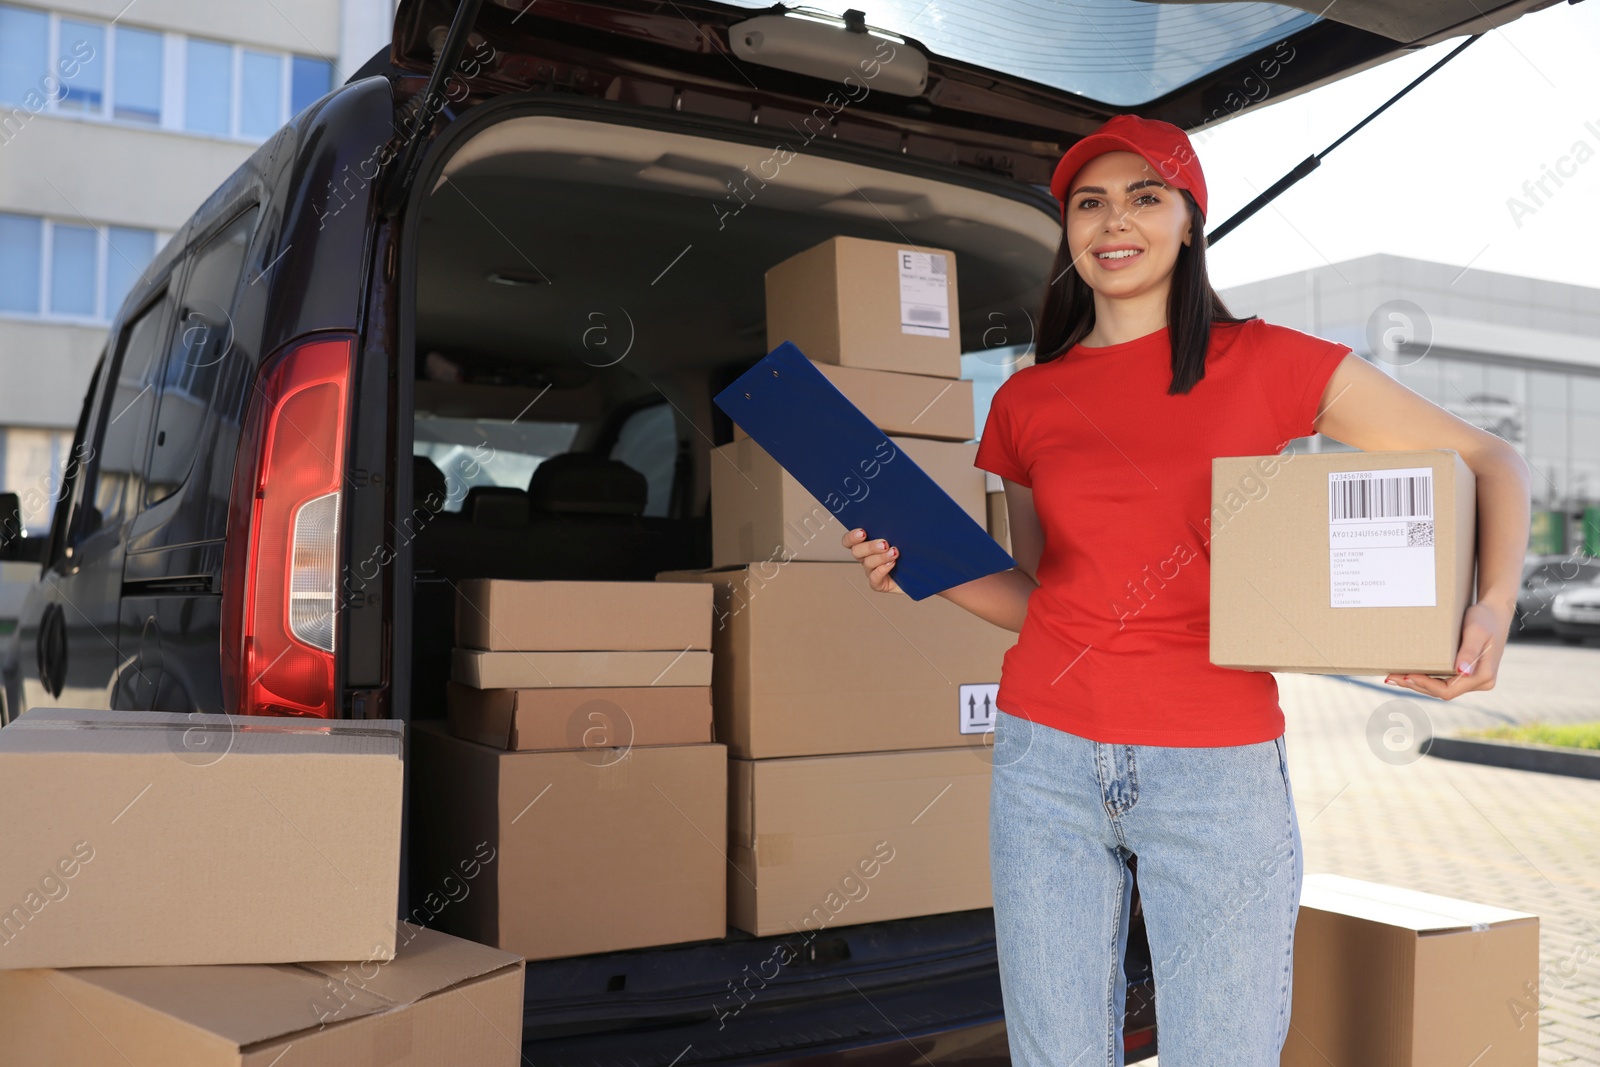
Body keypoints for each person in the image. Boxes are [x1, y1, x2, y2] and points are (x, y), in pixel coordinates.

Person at [843, 113, 1532, 1065]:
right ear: (1070, 232)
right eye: (1090, 202)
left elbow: (1488, 458)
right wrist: (917, 564)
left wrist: (1490, 610)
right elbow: (1045, 593)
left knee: (1226, 1051)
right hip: (1047, 752)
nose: (1114, 220)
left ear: (1188, 221)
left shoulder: (1274, 362)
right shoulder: (1027, 402)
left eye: (1144, 196)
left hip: (1215, 765)